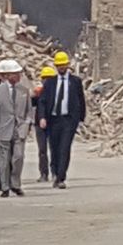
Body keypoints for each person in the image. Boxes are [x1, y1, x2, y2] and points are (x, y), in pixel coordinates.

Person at [37, 51, 86, 189]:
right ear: (56, 66)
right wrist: (42, 117)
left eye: (64, 65)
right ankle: (55, 171)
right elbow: (43, 101)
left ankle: (61, 177)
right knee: (54, 148)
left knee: (65, 147)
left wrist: (80, 119)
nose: (62, 68)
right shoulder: (50, 83)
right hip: (53, 119)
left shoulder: (75, 82)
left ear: (68, 65)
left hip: (68, 120)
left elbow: (81, 101)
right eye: (59, 65)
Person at [0, 59, 31, 197]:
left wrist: (26, 125)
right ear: (6, 75)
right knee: (3, 160)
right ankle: (5, 186)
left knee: (18, 157)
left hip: (19, 129)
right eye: (15, 74)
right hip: (3, 129)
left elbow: (29, 111)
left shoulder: (24, 91)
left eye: (19, 73)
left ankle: (16, 183)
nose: (18, 76)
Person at [32, 66, 57, 182]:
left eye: (49, 78)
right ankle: (43, 173)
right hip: (39, 124)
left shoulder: (57, 92)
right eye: (45, 78)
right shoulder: (39, 92)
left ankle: (55, 172)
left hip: (53, 122)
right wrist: (34, 95)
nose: (46, 81)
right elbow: (31, 104)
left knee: (54, 148)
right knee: (42, 150)